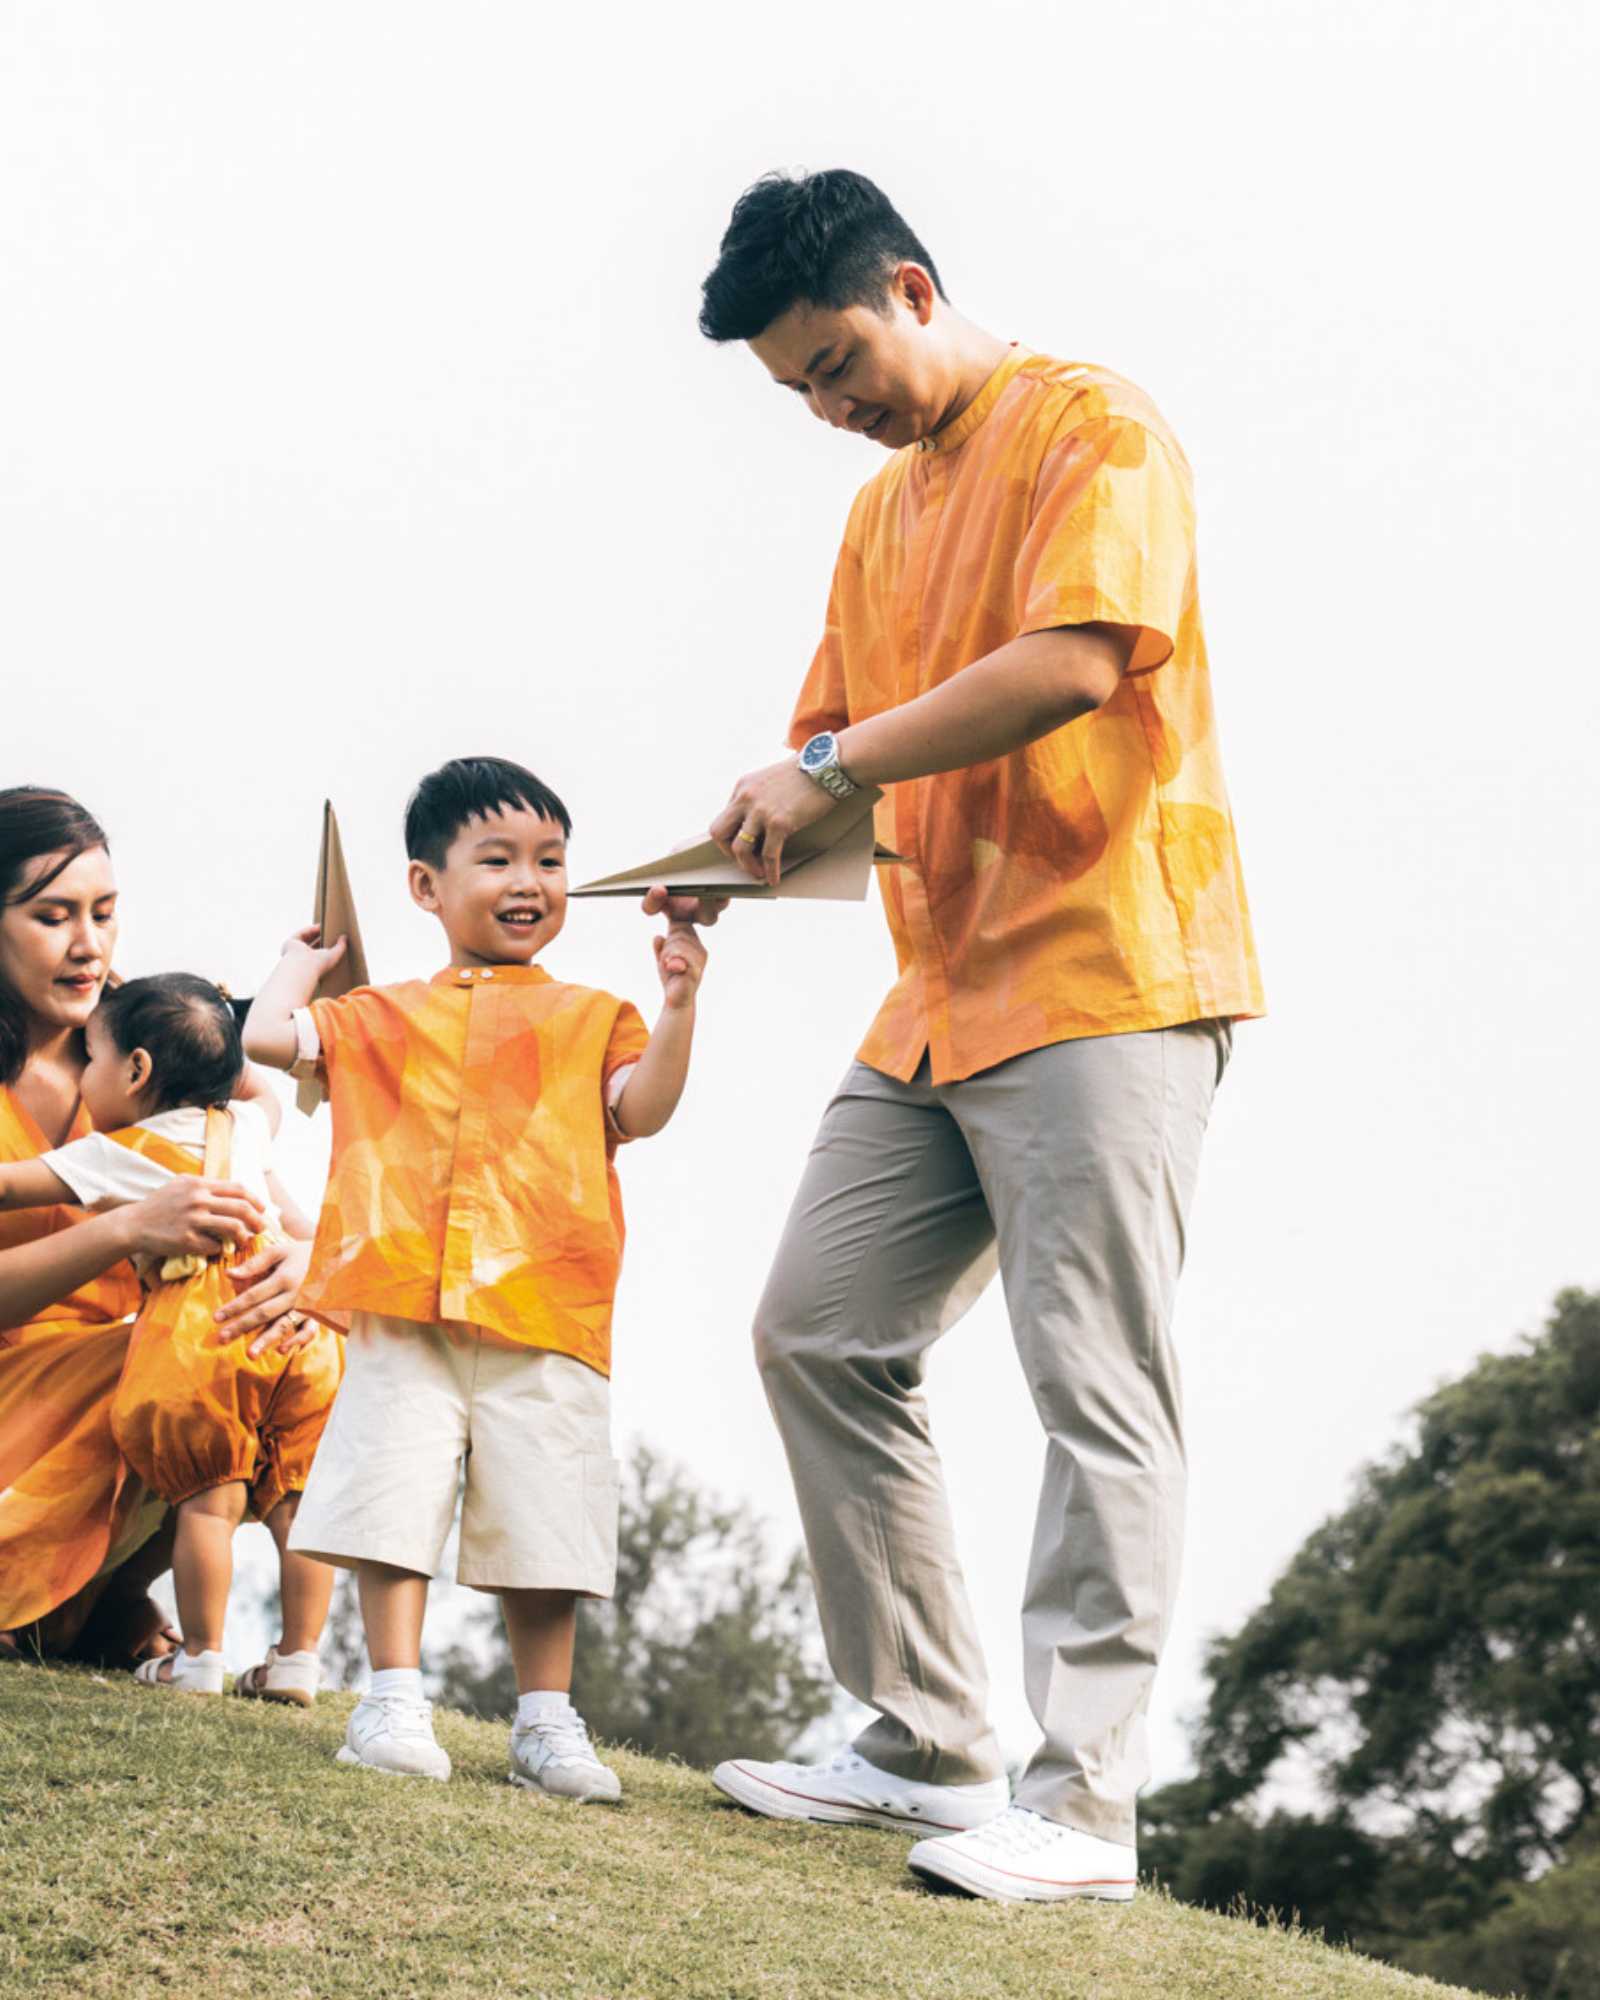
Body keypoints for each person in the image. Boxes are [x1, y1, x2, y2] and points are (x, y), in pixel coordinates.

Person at [674, 170, 1263, 1902]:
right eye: (799, 391)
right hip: (934, 1000)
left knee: (1100, 1385)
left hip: (1114, 975)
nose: (830, 409)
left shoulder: (1099, 428)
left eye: (838, 363)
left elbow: (1075, 663)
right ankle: (930, 1741)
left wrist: (836, 770)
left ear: (913, 290)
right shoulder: (877, 518)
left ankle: (1085, 1810)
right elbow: (843, 749)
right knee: (817, 1329)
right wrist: (740, 855)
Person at [243, 755, 708, 1796]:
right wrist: (302, 957)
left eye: (548, 858)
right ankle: (391, 1700)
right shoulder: (378, 1015)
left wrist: (678, 999)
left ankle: (546, 1720)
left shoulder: (598, 1015)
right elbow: (267, 1035)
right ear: (426, 885)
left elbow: (642, 1109)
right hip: (404, 1306)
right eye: (495, 857)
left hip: (547, 1309)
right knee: (389, 1504)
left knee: (545, 1520)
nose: (528, 879)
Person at [0, 787, 317, 1667]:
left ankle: (105, 1600)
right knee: (175, 1353)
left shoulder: (144, 1055)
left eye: (103, 913)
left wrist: (304, 1268)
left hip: (128, 1368)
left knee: (261, 1343)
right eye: (51, 916)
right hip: (18, 1395)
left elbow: (278, 1211)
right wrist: (127, 1228)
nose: (88, 944)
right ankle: (68, 1610)